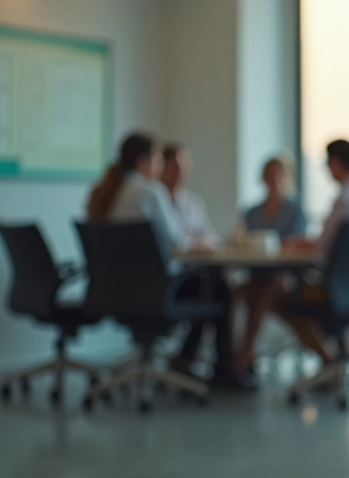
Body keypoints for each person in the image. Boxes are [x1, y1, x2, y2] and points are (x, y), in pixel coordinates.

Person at [85, 133, 245, 389]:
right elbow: (177, 243)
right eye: (159, 159)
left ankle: (184, 358)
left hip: (112, 291)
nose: (160, 167)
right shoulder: (150, 192)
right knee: (219, 290)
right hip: (153, 291)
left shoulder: (107, 192)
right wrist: (201, 244)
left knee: (208, 288)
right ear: (142, 161)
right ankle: (222, 371)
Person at [274, 139, 349, 363]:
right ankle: (346, 353)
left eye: (327, 164)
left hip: (342, 290)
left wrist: (297, 244)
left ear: (335, 163)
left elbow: (322, 248)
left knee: (276, 294)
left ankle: (328, 358)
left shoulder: (347, 199)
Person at [231, 156, 309, 374]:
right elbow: (242, 242)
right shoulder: (252, 212)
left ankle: (243, 357)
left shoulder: (295, 211)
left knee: (262, 291)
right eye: (270, 173)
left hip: (286, 278)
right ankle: (234, 356)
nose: (274, 178)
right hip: (256, 275)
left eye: (279, 173)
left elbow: (298, 244)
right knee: (234, 293)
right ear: (263, 177)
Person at [160, 143, 219, 249]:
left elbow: (212, 237)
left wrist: (203, 242)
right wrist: (194, 243)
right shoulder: (156, 199)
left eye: (185, 164)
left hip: (195, 262)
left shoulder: (194, 201)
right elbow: (168, 239)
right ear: (162, 166)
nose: (180, 170)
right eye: (174, 165)